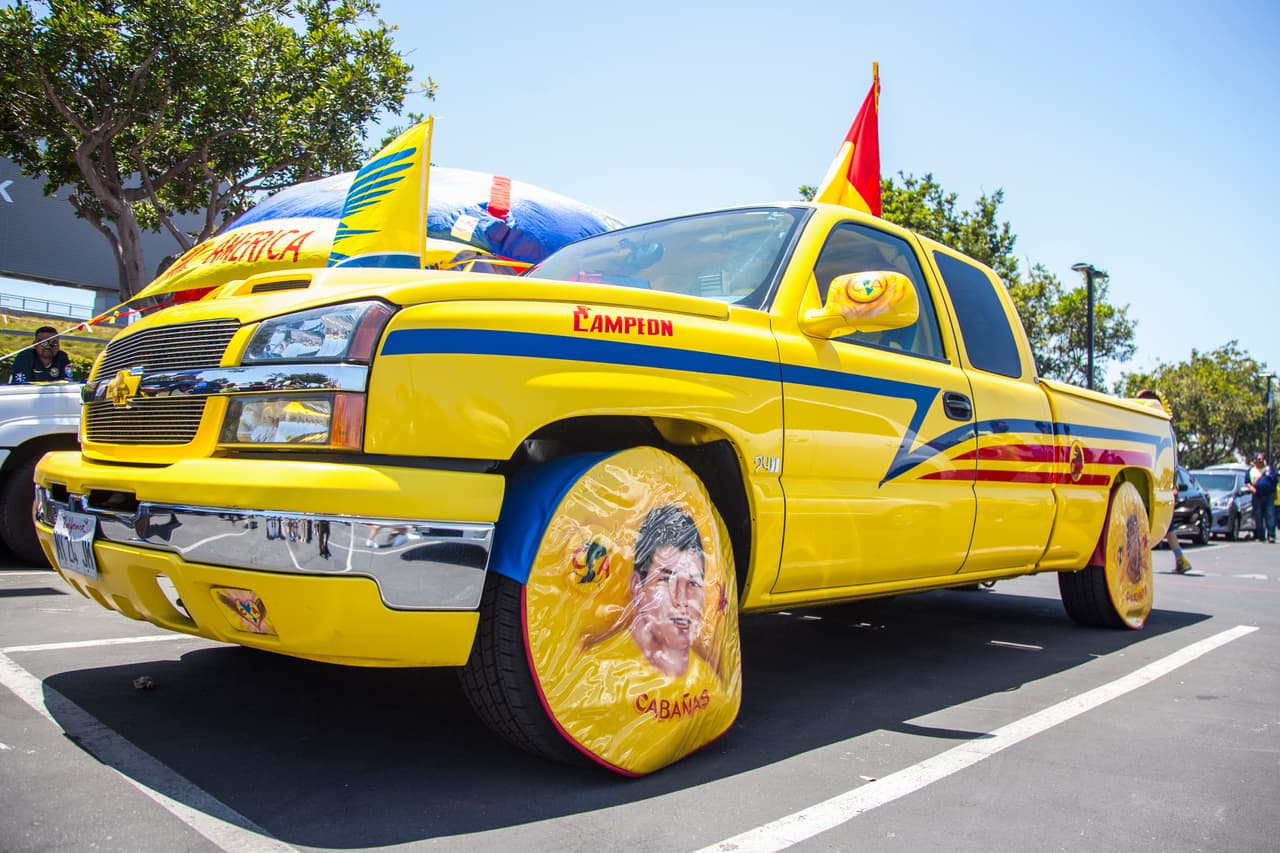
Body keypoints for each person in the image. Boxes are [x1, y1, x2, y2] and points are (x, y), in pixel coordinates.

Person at [1136, 389, 1193, 572]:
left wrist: (1170, 485)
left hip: (1154, 484)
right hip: (1156, 484)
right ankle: (1180, 558)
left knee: (1148, 525)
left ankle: (1140, 564)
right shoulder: (1163, 427)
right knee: (1166, 527)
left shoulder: (1160, 428)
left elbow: (1169, 460)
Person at [8, 326, 73, 384]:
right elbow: (20, 386)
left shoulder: (62, 357)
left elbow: (67, 383)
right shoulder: (24, 357)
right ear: (34, 345)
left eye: (54, 343)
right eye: (43, 343)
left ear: (59, 346)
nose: (48, 347)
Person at [1245, 453, 1277, 543]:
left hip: (1269, 496)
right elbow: (1247, 482)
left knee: (1270, 516)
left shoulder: (1269, 469)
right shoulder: (1251, 471)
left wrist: (1274, 493)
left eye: (1262, 459)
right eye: (1258, 459)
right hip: (1257, 496)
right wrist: (1252, 489)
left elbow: (1274, 481)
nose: (1260, 461)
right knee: (1258, 517)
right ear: (1255, 460)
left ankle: (1271, 536)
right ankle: (1260, 536)